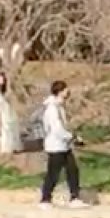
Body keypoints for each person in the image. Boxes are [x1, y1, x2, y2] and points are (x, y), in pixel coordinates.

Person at [35, 79, 86, 207]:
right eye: (65, 89)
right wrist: (72, 137)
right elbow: (57, 129)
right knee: (53, 174)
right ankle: (45, 199)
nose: (68, 92)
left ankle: (75, 198)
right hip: (55, 146)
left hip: (63, 146)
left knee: (72, 170)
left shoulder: (59, 106)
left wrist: (70, 138)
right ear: (60, 91)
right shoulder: (52, 109)